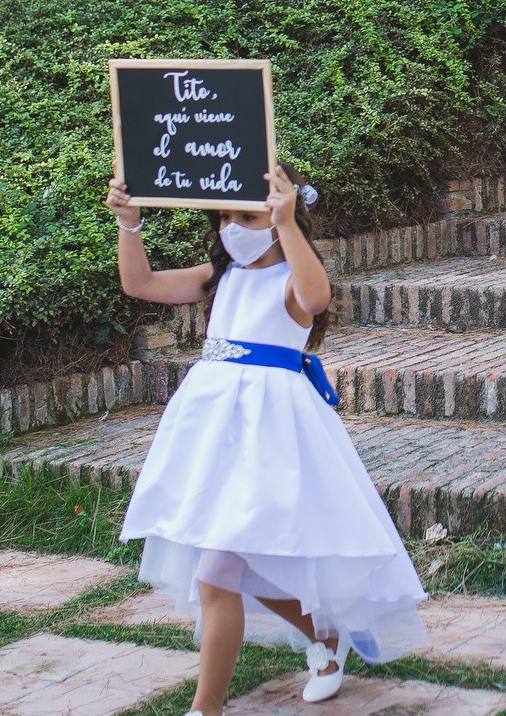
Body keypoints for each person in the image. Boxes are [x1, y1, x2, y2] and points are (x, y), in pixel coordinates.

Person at [106, 165, 425, 711]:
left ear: (279, 215)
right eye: (225, 216)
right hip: (212, 434)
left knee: (217, 570)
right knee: (240, 565)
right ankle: (325, 634)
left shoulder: (290, 284)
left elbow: (318, 296)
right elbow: (140, 284)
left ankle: (205, 708)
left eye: (246, 216)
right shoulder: (220, 276)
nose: (232, 226)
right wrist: (129, 224)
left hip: (270, 437)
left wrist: (287, 224)